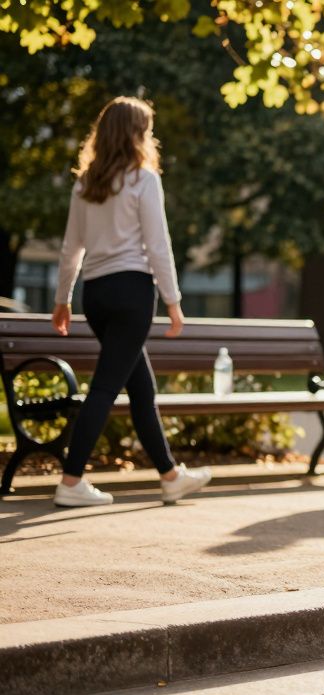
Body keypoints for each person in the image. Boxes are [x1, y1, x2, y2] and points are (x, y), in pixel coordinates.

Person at [51, 97, 212, 508]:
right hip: (132, 292)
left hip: (97, 295)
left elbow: (72, 247)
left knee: (140, 388)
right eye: (147, 129)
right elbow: (158, 245)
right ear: (136, 134)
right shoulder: (143, 179)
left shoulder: (86, 182)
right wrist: (174, 301)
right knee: (106, 387)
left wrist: (63, 299)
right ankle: (70, 482)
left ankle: (170, 476)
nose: (150, 136)